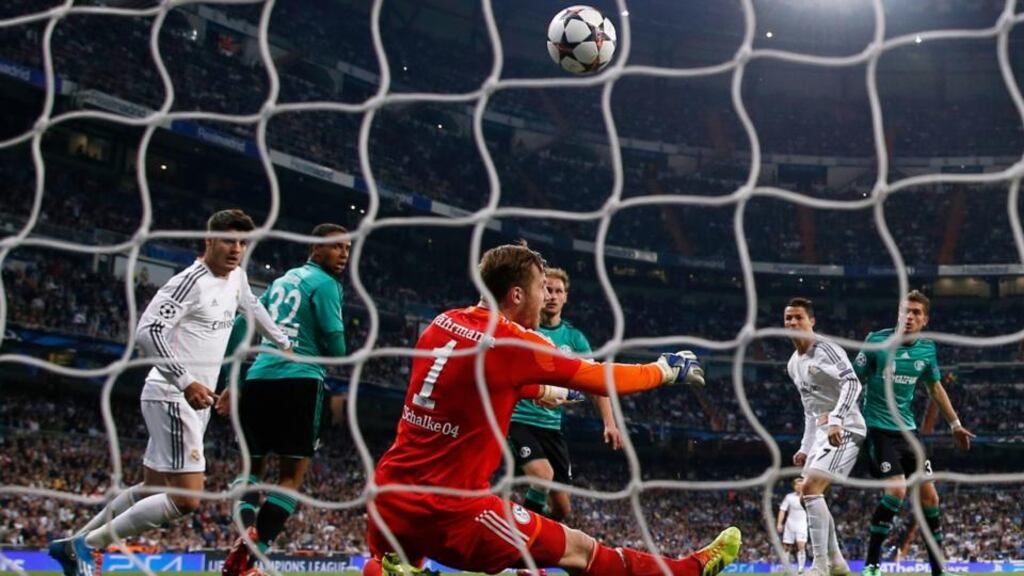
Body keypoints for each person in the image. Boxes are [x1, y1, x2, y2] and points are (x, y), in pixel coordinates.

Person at [363, 242, 740, 576]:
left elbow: (473, 383)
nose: (545, 298)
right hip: (450, 509)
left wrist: (543, 390)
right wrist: (665, 369)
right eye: (540, 288)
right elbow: (605, 377)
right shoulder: (514, 342)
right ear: (515, 295)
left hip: (389, 494)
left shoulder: (441, 323)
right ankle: (688, 571)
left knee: (388, 565)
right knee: (580, 550)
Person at [49, 209, 291, 576]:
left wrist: (283, 341)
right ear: (208, 240)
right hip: (172, 395)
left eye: (243, 242)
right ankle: (88, 545)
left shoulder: (237, 278)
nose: (236, 249)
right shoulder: (189, 281)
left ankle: (74, 543)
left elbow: (252, 306)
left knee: (152, 488)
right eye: (228, 240)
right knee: (188, 498)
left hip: (196, 399)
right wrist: (185, 381)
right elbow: (148, 331)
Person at [217, 223, 351, 576]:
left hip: (258, 378)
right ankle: (254, 551)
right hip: (300, 381)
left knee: (250, 472)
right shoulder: (325, 284)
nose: (344, 255)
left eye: (348, 250)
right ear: (315, 248)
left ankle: (245, 531)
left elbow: (243, 328)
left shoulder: (280, 282)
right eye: (337, 248)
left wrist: (234, 378)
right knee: (291, 478)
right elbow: (337, 348)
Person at [855, 291, 975, 576]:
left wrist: (955, 424)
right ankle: (871, 565)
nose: (909, 317)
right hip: (879, 430)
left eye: (916, 313)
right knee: (896, 490)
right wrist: (838, 418)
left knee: (931, 498)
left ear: (925, 320)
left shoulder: (927, 350)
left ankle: (938, 568)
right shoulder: (875, 341)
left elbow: (935, 388)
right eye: (905, 311)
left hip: (909, 433)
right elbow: (852, 380)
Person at [509, 267, 622, 523]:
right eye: (547, 289)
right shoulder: (524, 327)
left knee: (561, 510)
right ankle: (517, 546)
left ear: (565, 297)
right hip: (518, 420)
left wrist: (610, 423)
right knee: (542, 475)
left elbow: (595, 382)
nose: (552, 295)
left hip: (551, 428)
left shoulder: (574, 339)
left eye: (558, 291)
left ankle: (525, 524)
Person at [784, 298, 862, 576]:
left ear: (811, 321)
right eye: (788, 319)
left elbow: (853, 382)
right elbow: (810, 410)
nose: (793, 323)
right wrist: (805, 446)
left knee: (809, 490)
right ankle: (837, 562)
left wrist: (837, 420)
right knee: (809, 494)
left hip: (847, 429)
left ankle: (820, 567)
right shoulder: (794, 364)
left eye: (798, 318)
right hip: (819, 434)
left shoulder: (827, 350)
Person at [776, 479, 808, 576]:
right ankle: (786, 569)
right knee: (786, 547)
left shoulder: (807, 497)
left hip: (802, 525)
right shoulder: (789, 497)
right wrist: (779, 523)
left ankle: (801, 569)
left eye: (801, 485)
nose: (799, 487)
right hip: (790, 525)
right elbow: (782, 510)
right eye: (797, 485)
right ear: (794, 486)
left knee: (801, 546)